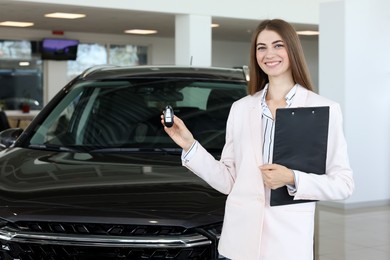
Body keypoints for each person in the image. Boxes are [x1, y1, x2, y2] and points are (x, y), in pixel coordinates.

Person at [161, 19, 354, 260]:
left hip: (288, 245)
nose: (269, 54)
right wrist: (189, 145)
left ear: (292, 49)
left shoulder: (323, 108)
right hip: (238, 245)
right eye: (261, 47)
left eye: (277, 45)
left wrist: (292, 178)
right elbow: (229, 181)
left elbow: (343, 184)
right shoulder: (241, 108)